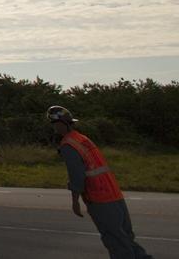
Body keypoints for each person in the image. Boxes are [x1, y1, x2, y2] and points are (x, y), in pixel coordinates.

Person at [48, 105, 152, 258]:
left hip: (100, 198)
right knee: (126, 239)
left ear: (59, 124)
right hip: (115, 195)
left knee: (117, 243)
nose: (54, 128)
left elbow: (77, 176)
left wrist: (75, 200)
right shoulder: (83, 139)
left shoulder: (68, 145)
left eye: (54, 124)